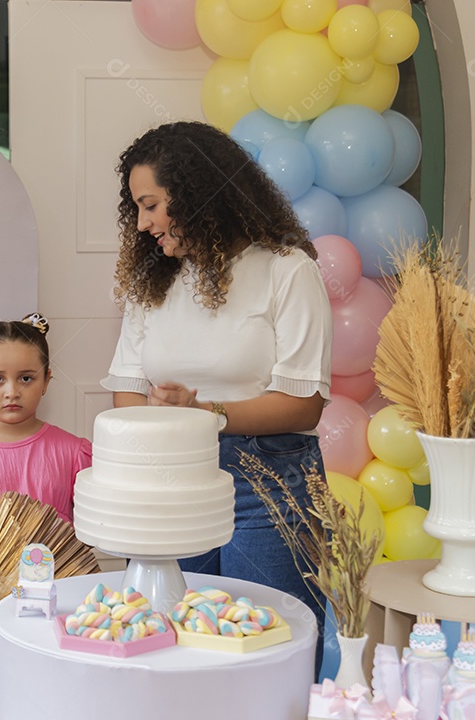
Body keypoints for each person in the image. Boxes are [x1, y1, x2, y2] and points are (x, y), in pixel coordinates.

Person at [101, 121, 333, 667]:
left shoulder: (287, 271)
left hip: (271, 482)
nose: (142, 223)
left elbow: (304, 404)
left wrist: (205, 414)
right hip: (175, 478)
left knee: (269, 646)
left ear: (197, 192)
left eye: (152, 204)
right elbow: (126, 396)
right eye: (136, 208)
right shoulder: (150, 284)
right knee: (173, 644)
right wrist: (169, 424)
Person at [0, 312, 92, 523]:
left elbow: (98, 529)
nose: (12, 391)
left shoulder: (75, 455)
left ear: (46, 381)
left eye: (26, 378)